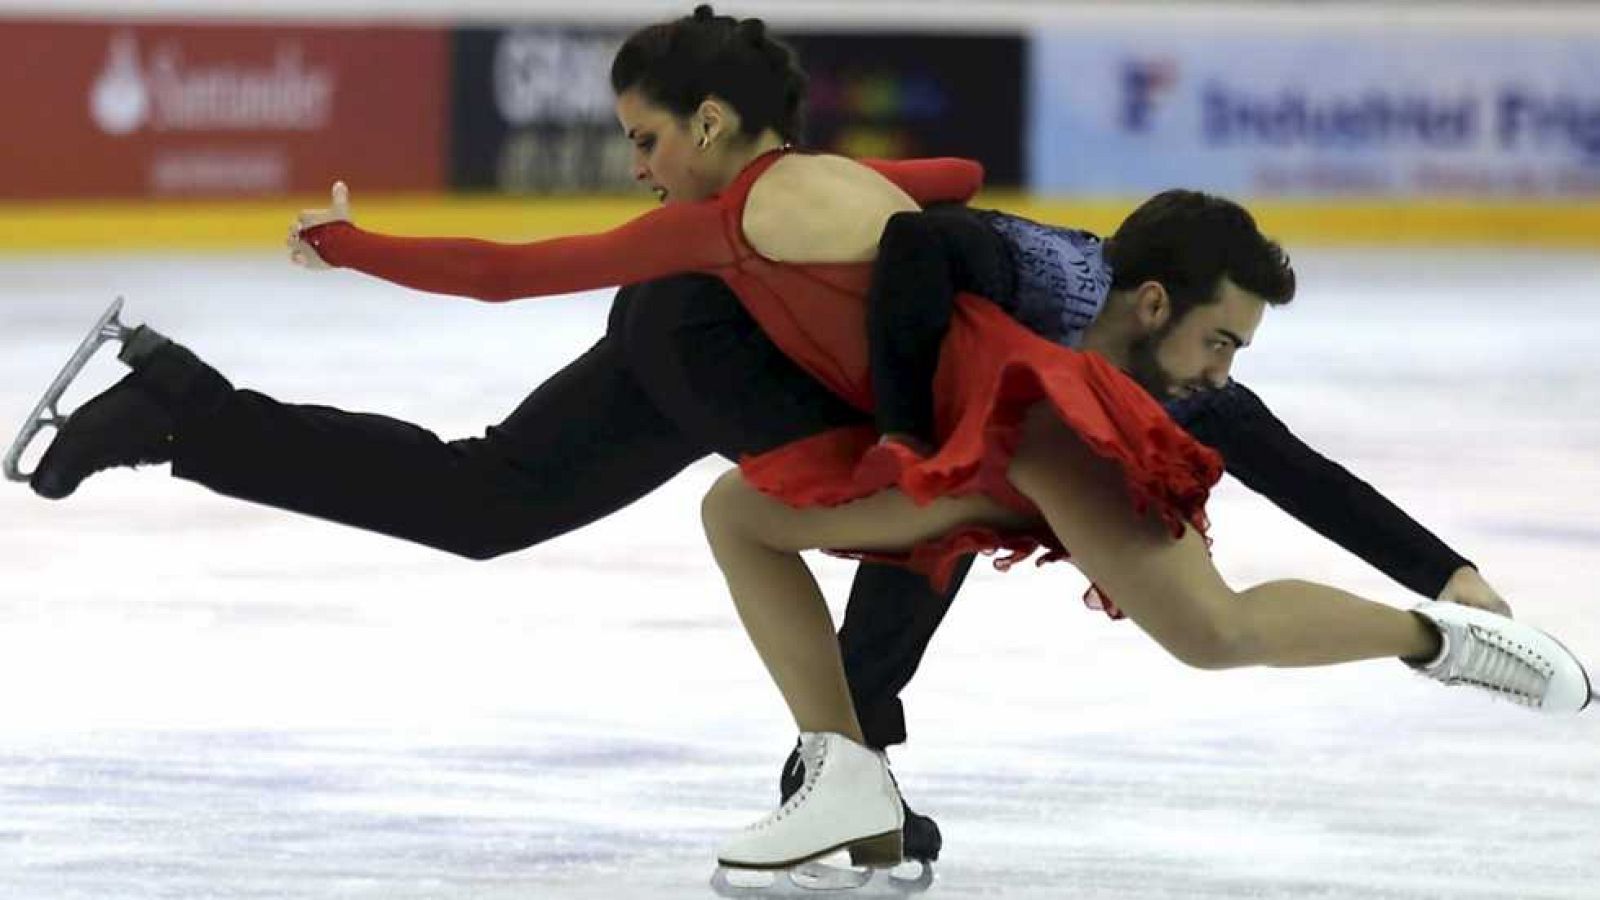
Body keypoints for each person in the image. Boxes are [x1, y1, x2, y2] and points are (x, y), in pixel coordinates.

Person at [19, 3, 1542, 872]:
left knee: (524, 504)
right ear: (1151, 297)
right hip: (710, 341)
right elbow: (922, 222)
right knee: (790, 515)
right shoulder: (790, 230)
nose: (638, 161)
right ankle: (854, 768)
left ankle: (184, 412)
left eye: (645, 136)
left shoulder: (1130, 341)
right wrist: (895, 419)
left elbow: (1270, 446)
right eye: (1215, 339)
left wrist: (1453, 573)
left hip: (774, 342)